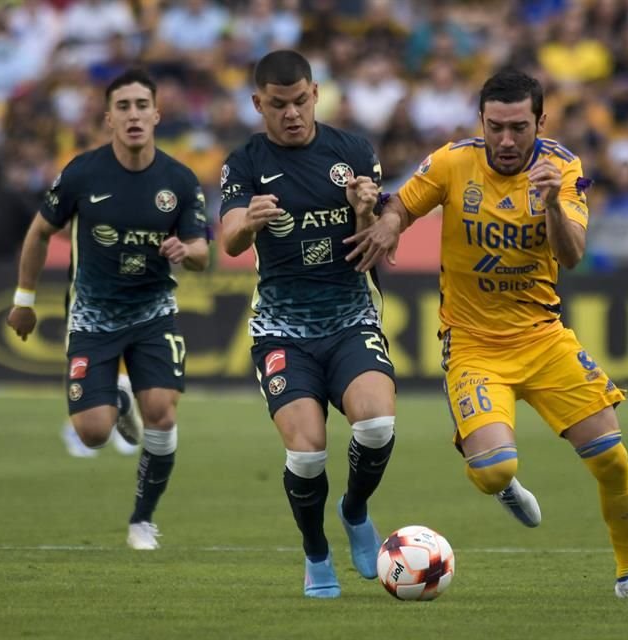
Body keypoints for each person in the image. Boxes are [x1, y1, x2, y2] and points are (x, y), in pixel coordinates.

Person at [345, 68, 628, 600]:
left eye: (518, 127)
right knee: (497, 471)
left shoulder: (563, 169)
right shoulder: (454, 162)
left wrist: (548, 203)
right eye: (495, 126)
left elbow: (571, 255)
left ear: (539, 122)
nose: (504, 139)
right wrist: (387, 223)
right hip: (473, 345)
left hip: (544, 339)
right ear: (481, 119)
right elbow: (404, 202)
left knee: (612, 458)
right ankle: (502, 485)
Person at [6, 68, 210, 550]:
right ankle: (117, 401)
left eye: (142, 105)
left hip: (154, 313)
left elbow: (204, 252)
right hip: (91, 317)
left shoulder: (179, 180)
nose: (134, 115)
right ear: (108, 119)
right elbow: (38, 233)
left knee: (161, 414)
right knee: (93, 433)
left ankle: (142, 519)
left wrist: (187, 251)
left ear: (158, 115)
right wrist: (23, 300)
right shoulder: (82, 173)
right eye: (124, 107)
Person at [219, 50, 395, 599]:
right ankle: (316, 553)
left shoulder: (352, 152)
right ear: (258, 104)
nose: (291, 113)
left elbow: (371, 246)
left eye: (300, 100)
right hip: (281, 329)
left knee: (377, 425)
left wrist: (366, 211)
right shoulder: (244, 162)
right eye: (278, 104)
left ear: (316, 94)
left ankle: (355, 509)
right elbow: (228, 241)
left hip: (349, 317)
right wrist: (249, 221)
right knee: (308, 453)